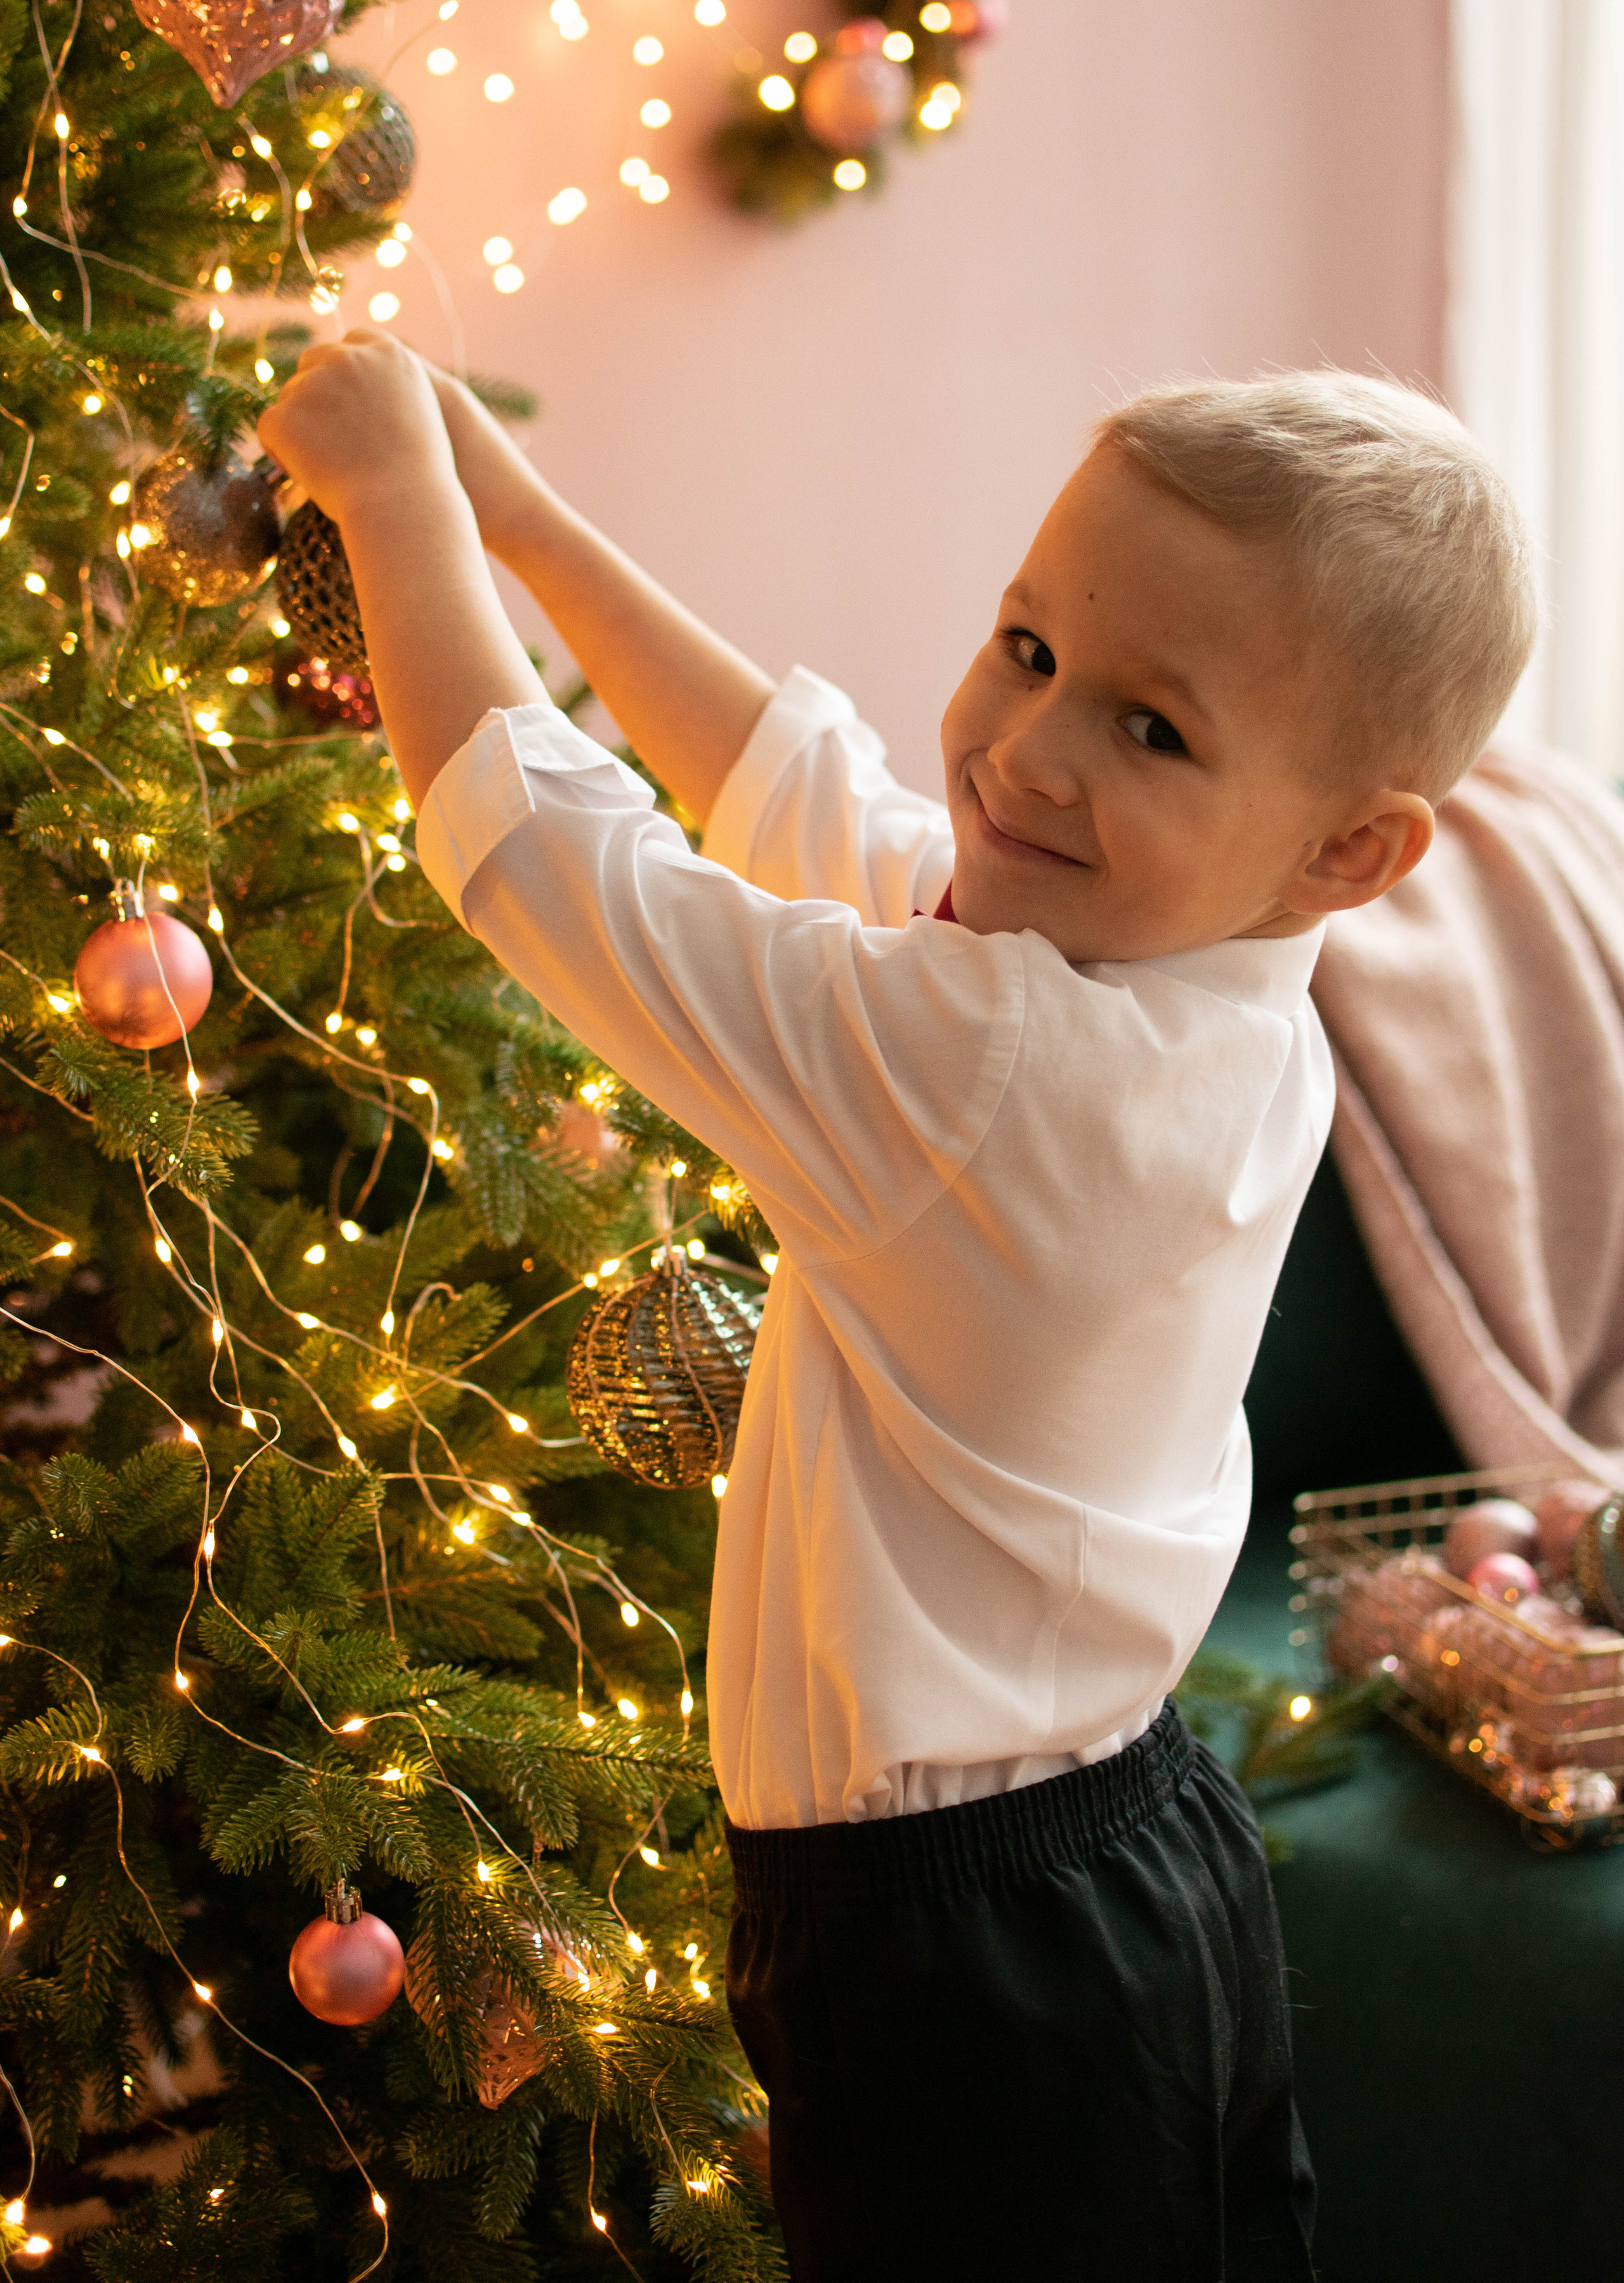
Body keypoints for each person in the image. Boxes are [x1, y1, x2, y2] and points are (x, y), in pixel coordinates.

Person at [259, 346, 1534, 2280]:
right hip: (1123, 1853)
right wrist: (518, 518)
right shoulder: (1183, 992)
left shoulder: (1006, 1073)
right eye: (1025, 647)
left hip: (964, 1951)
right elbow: (801, 795)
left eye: (1152, 730)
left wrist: (398, 503)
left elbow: (552, 862)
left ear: (1353, 847)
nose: (1027, 756)